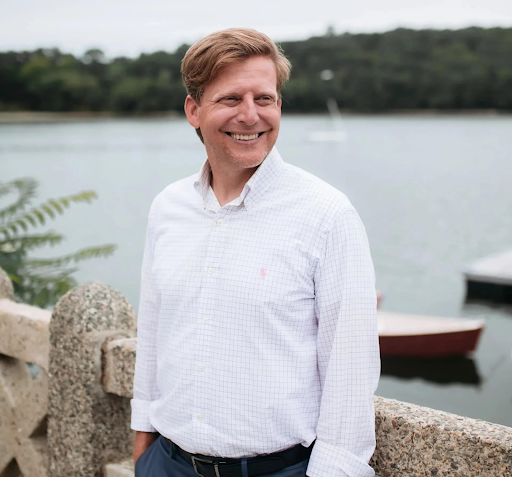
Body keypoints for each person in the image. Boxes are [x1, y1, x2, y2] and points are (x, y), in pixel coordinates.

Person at [131, 28, 380, 477]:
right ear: (194, 110)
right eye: (230, 99)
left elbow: (351, 369)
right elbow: (152, 328)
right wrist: (142, 444)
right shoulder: (168, 207)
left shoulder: (327, 214)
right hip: (165, 464)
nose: (251, 116)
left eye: (264, 99)